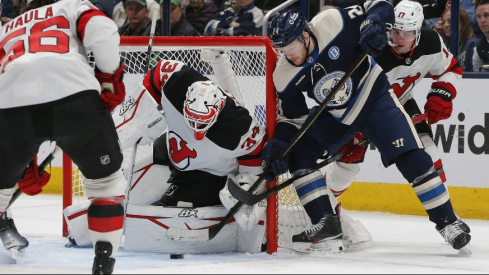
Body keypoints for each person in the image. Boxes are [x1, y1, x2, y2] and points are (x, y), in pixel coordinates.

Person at [264, 0, 471, 253]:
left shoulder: (330, 23)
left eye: (291, 45)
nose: (288, 53)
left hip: (375, 99)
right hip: (338, 115)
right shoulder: (283, 74)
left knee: (412, 156)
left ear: (305, 35)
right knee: (298, 156)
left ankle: (448, 223)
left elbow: (378, 4)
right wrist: (281, 144)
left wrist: (374, 23)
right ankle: (326, 223)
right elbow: (293, 119)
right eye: (281, 48)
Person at [64, 51, 269, 253]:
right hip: (170, 152)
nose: (197, 130)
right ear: (185, 102)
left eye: (203, 123)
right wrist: (140, 113)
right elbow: (154, 77)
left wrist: (247, 187)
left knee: (170, 209)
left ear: (218, 111)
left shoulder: (239, 126)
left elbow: (253, 161)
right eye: (192, 120)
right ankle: (80, 230)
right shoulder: (175, 79)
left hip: (206, 174)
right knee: (121, 191)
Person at [0, 0, 127, 273]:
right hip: (75, 94)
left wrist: (20, 162)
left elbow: (17, 84)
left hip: (9, 107)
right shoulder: (72, 6)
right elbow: (102, 29)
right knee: (106, 185)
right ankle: (104, 261)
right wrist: (109, 77)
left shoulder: (6, 29)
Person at [473, 0, 489, 71]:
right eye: (478, 16)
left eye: (486, 15)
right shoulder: (478, 48)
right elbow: (477, 78)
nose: (482, 20)